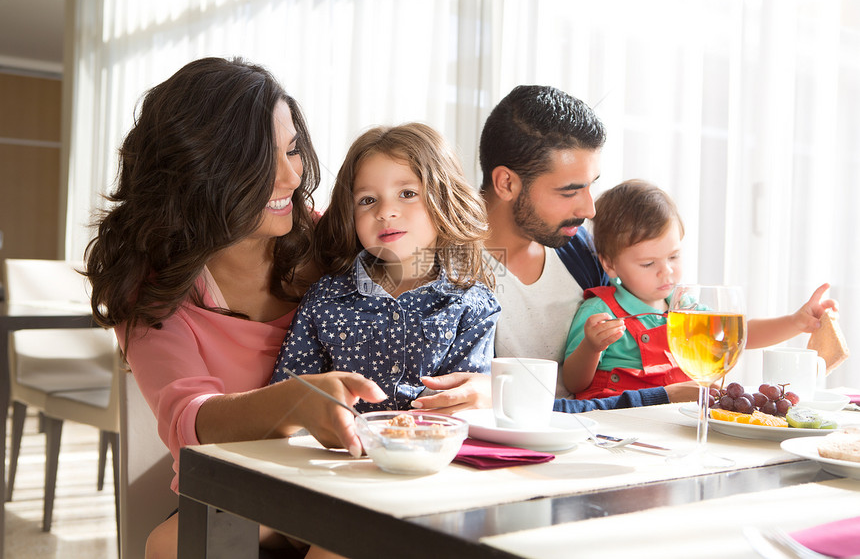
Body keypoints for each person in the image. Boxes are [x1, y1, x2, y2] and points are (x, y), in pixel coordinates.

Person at [85, 57, 388, 559]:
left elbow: (441, 272)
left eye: (293, 151)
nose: (291, 176)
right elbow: (190, 421)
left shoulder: (334, 238)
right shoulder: (154, 290)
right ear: (199, 171)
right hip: (241, 494)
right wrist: (295, 403)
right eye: (260, 161)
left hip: (353, 481)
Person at [415, 84, 699, 413]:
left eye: (592, 185)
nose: (590, 209)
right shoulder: (441, 270)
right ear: (506, 183)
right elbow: (473, 408)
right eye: (569, 192)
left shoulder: (581, 251)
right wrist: (666, 397)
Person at [269, 123, 500, 409]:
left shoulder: (473, 304)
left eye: (407, 193)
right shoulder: (324, 299)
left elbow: (464, 404)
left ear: (445, 199)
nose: (385, 212)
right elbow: (288, 396)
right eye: (368, 200)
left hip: (434, 448)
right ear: (349, 214)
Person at [562, 179, 837, 400]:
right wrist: (591, 346)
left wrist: (796, 322)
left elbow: (740, 336)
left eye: (673, 257)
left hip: (673, 419)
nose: (666, 271)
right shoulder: (600, 311)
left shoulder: (685, 307)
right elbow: (573, 383)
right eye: (648, 263)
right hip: (621, 419)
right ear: (610, 265)